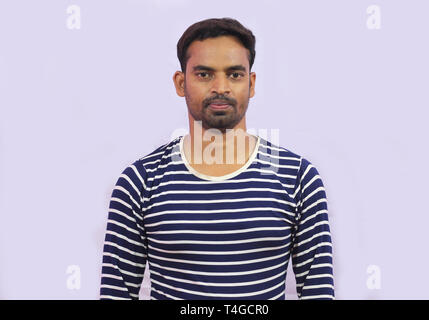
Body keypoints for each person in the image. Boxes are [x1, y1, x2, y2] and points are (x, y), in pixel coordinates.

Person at [99, 17, 334, 300]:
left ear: (252, 83)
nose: (221, 87)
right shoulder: (140, 181)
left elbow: (318, 293)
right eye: (204, 74)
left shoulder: (298, 178)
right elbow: (116, 295)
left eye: (235, 74)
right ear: (180, 82)